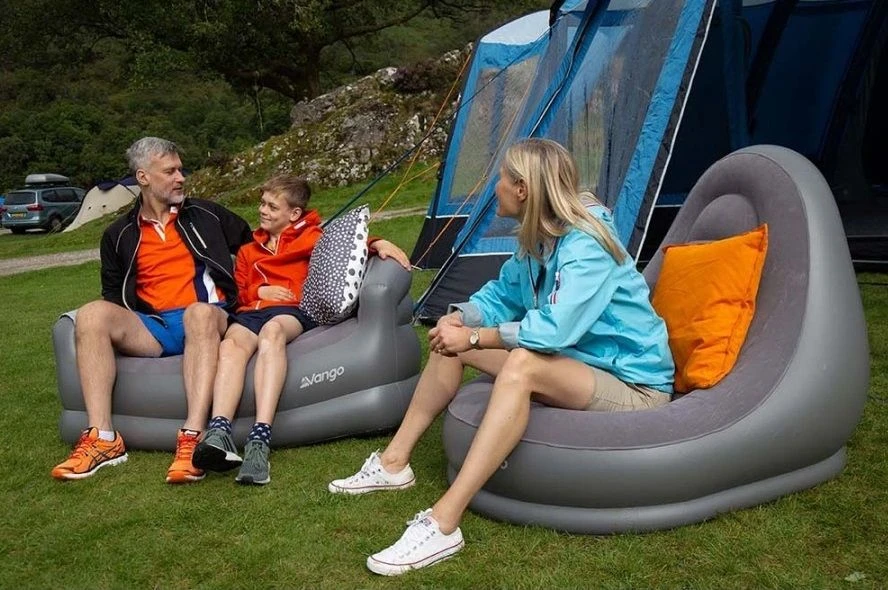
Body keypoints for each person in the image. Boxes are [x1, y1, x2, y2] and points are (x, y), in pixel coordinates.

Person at [328, 138, 675, 575]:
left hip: (632, 382)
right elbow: (503, 293)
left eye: (502, 179)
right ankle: (394, 463)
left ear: (523, 189)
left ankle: (444, 522)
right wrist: (462, 318)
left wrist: (476, 338)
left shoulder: (586, 244)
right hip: (582, 362)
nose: (496, 187)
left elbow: (554, 331)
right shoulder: (540, 237)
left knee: (521, 363)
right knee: (450, 342)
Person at [51, 137, 253, 483]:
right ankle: (103, 438)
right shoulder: (117, 234)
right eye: (170, 171)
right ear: (143, 177)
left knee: (198, 313)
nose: (181, 178)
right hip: (155, 326)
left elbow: (254, 248)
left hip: (208, 316)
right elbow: (113, 294)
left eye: (181, 170)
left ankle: (193, 438)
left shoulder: (207, 214)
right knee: (92, 313)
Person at [192, 174, 412, 485]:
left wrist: (378, 242)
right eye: (262, 203)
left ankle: (259, 439)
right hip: (251, 312)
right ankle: (219, 432)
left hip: (291, 311)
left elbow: (346, 248)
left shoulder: (310, 238)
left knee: (272, 333)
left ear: (294, 213)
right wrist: (259, 292)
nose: (262, 210)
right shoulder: (248, 251)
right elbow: (236, 294)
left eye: (272, 207)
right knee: (230, 345)